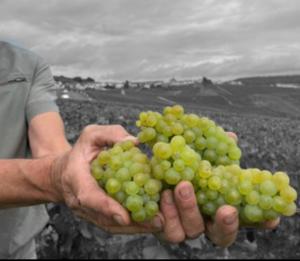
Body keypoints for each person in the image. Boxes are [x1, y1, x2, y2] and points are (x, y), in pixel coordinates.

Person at [0, 41, 279, 258]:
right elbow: (51, 171)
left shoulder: (29, 65)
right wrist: (53, 177)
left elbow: (50, 148)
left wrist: (76, 170)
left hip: (17, 250)